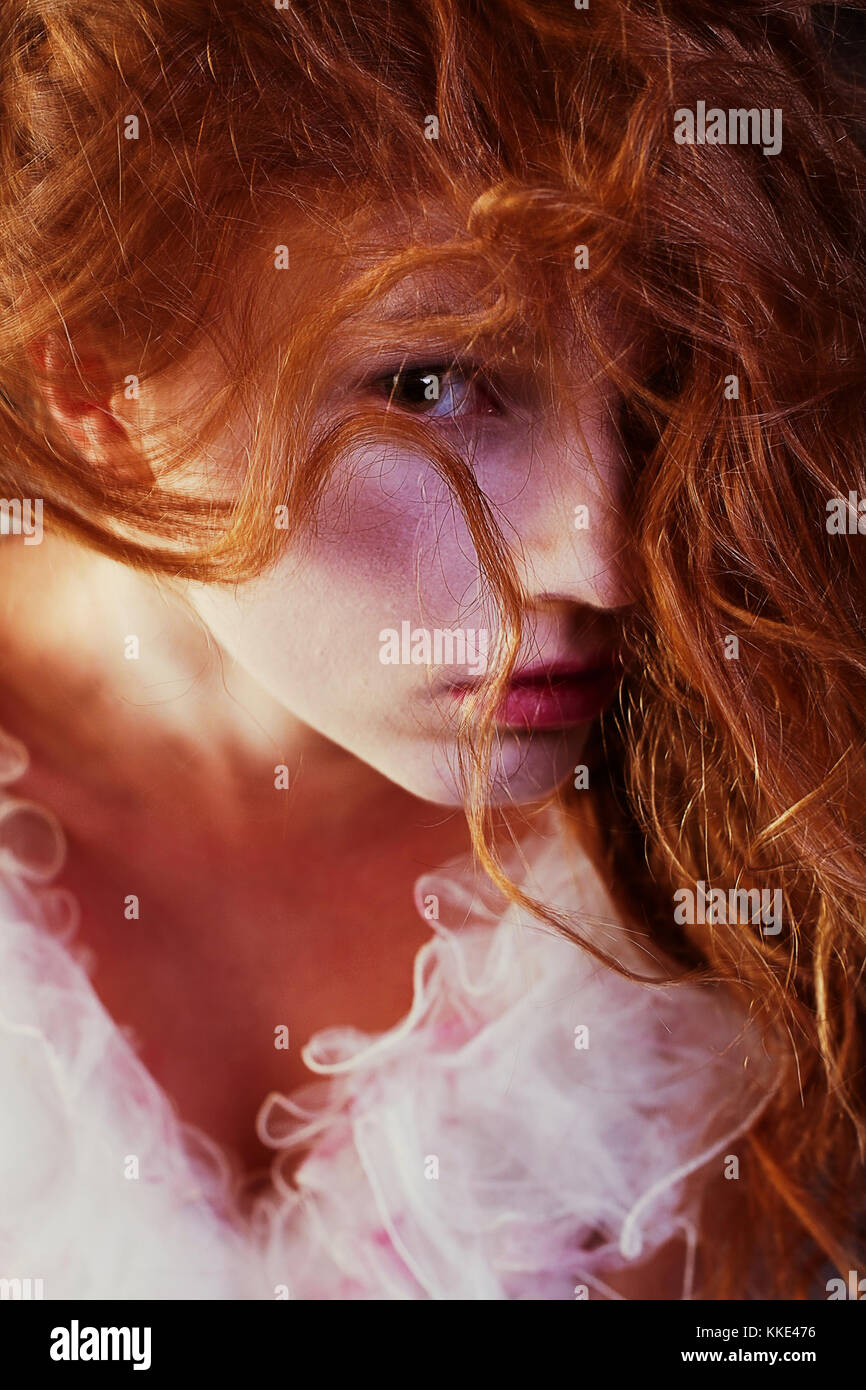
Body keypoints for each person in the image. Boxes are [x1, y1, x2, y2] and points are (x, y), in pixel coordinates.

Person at [0, 0, 863, 1300]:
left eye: (656, 393)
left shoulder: (781, 818)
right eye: (431, 385)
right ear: (101, 377)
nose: (605, 563)